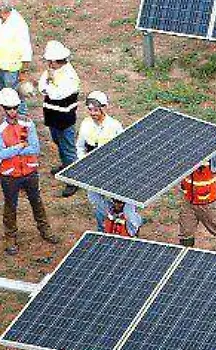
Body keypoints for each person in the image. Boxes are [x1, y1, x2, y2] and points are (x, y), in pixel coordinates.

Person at [0, 87, 56, 255]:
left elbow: (35, 148)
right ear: (3, 107)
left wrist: (14, 149)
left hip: (29, 171)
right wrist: (22, 146)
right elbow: (1, 153)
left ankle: (45, 230)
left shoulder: (27, 122)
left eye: (15, 107)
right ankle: (10, 237)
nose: (12, 111)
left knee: (37, 201)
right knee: (10, 206)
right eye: (9, 108)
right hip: (10, 174)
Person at [78, 92, 144, 235]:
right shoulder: (85, 125)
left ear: (104, 108)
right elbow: (80, 147)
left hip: (117, 171)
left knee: (128, 209)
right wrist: (83, 163)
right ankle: (105, 228)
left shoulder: (114, 126)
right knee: (95, 199)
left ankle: (133, 230)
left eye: (95, 110)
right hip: (93, 171)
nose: (92, 113)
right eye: (90, 110)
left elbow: (125, 149)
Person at [37, 41, 81, 189]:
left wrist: (49, 85)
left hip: (65, 119)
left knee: (68, 148)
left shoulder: (70, 75)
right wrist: (49, 85)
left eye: (50, 61)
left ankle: (74, 179)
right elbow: (41, 86)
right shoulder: (51, 70)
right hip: (52, 116)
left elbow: (57, 95)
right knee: (58, 141)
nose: (48, 64)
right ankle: (66, 166)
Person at [178, 143, 216, 252]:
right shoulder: (185, 160)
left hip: (208, 203)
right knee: (185, 230)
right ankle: (184, 254)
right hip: (188, 203)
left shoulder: (212, 161)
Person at [0, 0, 32, 95]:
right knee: (1, 95)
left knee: (15, 97)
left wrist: (24, 71)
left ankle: (20, 111)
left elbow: (26, 50)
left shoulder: (18, 23)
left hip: (12, 68)